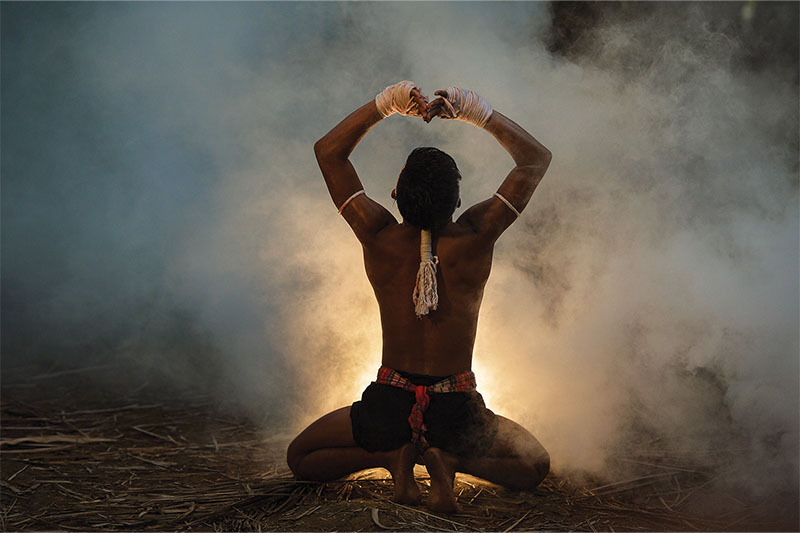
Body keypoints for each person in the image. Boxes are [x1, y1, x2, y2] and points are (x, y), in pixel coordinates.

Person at [287, 81, 552, 513]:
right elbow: (535, 160)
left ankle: (393, 456)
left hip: (389, 403)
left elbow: (328, 153)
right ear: (460, 201)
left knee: (301, 457)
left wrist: (386, 105)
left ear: (394, 196)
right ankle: (448, 458)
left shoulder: (377, 236)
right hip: (456, 409)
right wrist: (474, 112)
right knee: (534, 466)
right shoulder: (476, 235)